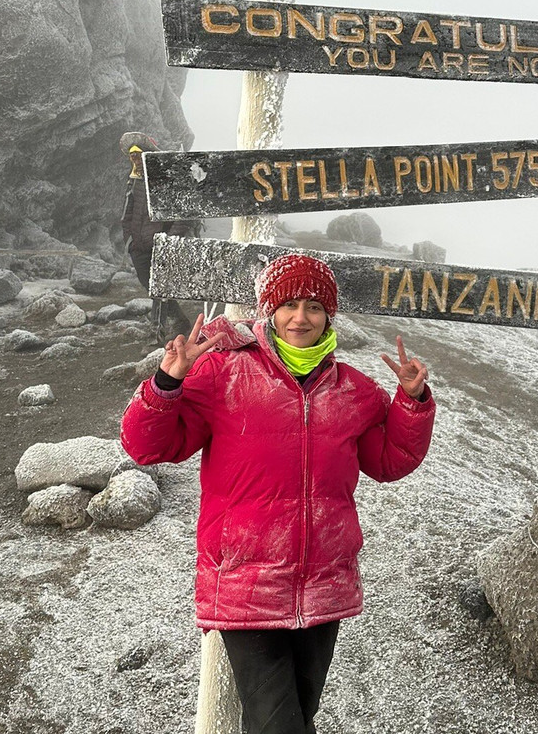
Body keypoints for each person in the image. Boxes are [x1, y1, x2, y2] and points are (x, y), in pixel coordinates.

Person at [121, 254, 436, 734]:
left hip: (324, 583)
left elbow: (389, 462)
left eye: (314, 306)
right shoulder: (223, 373)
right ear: (270, 311)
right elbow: (148, 446)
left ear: (329, 316)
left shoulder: (354, 391)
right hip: (247, 582)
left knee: (298, 718)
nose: (300, 317)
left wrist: (412, 402)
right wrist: (167, 383)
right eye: (289, 305)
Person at [119, 131, 200, 338]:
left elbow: (185, 213)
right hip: (138, 245)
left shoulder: (168, 178)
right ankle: (179, 321)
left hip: (160, 243)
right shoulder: (133, 180)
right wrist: (130, 240)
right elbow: (127, 213)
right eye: (132, 156)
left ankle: (157, 333)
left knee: (159, 288)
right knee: (151, 287)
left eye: (138, 155)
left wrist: (167, 239)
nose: (135, 160)